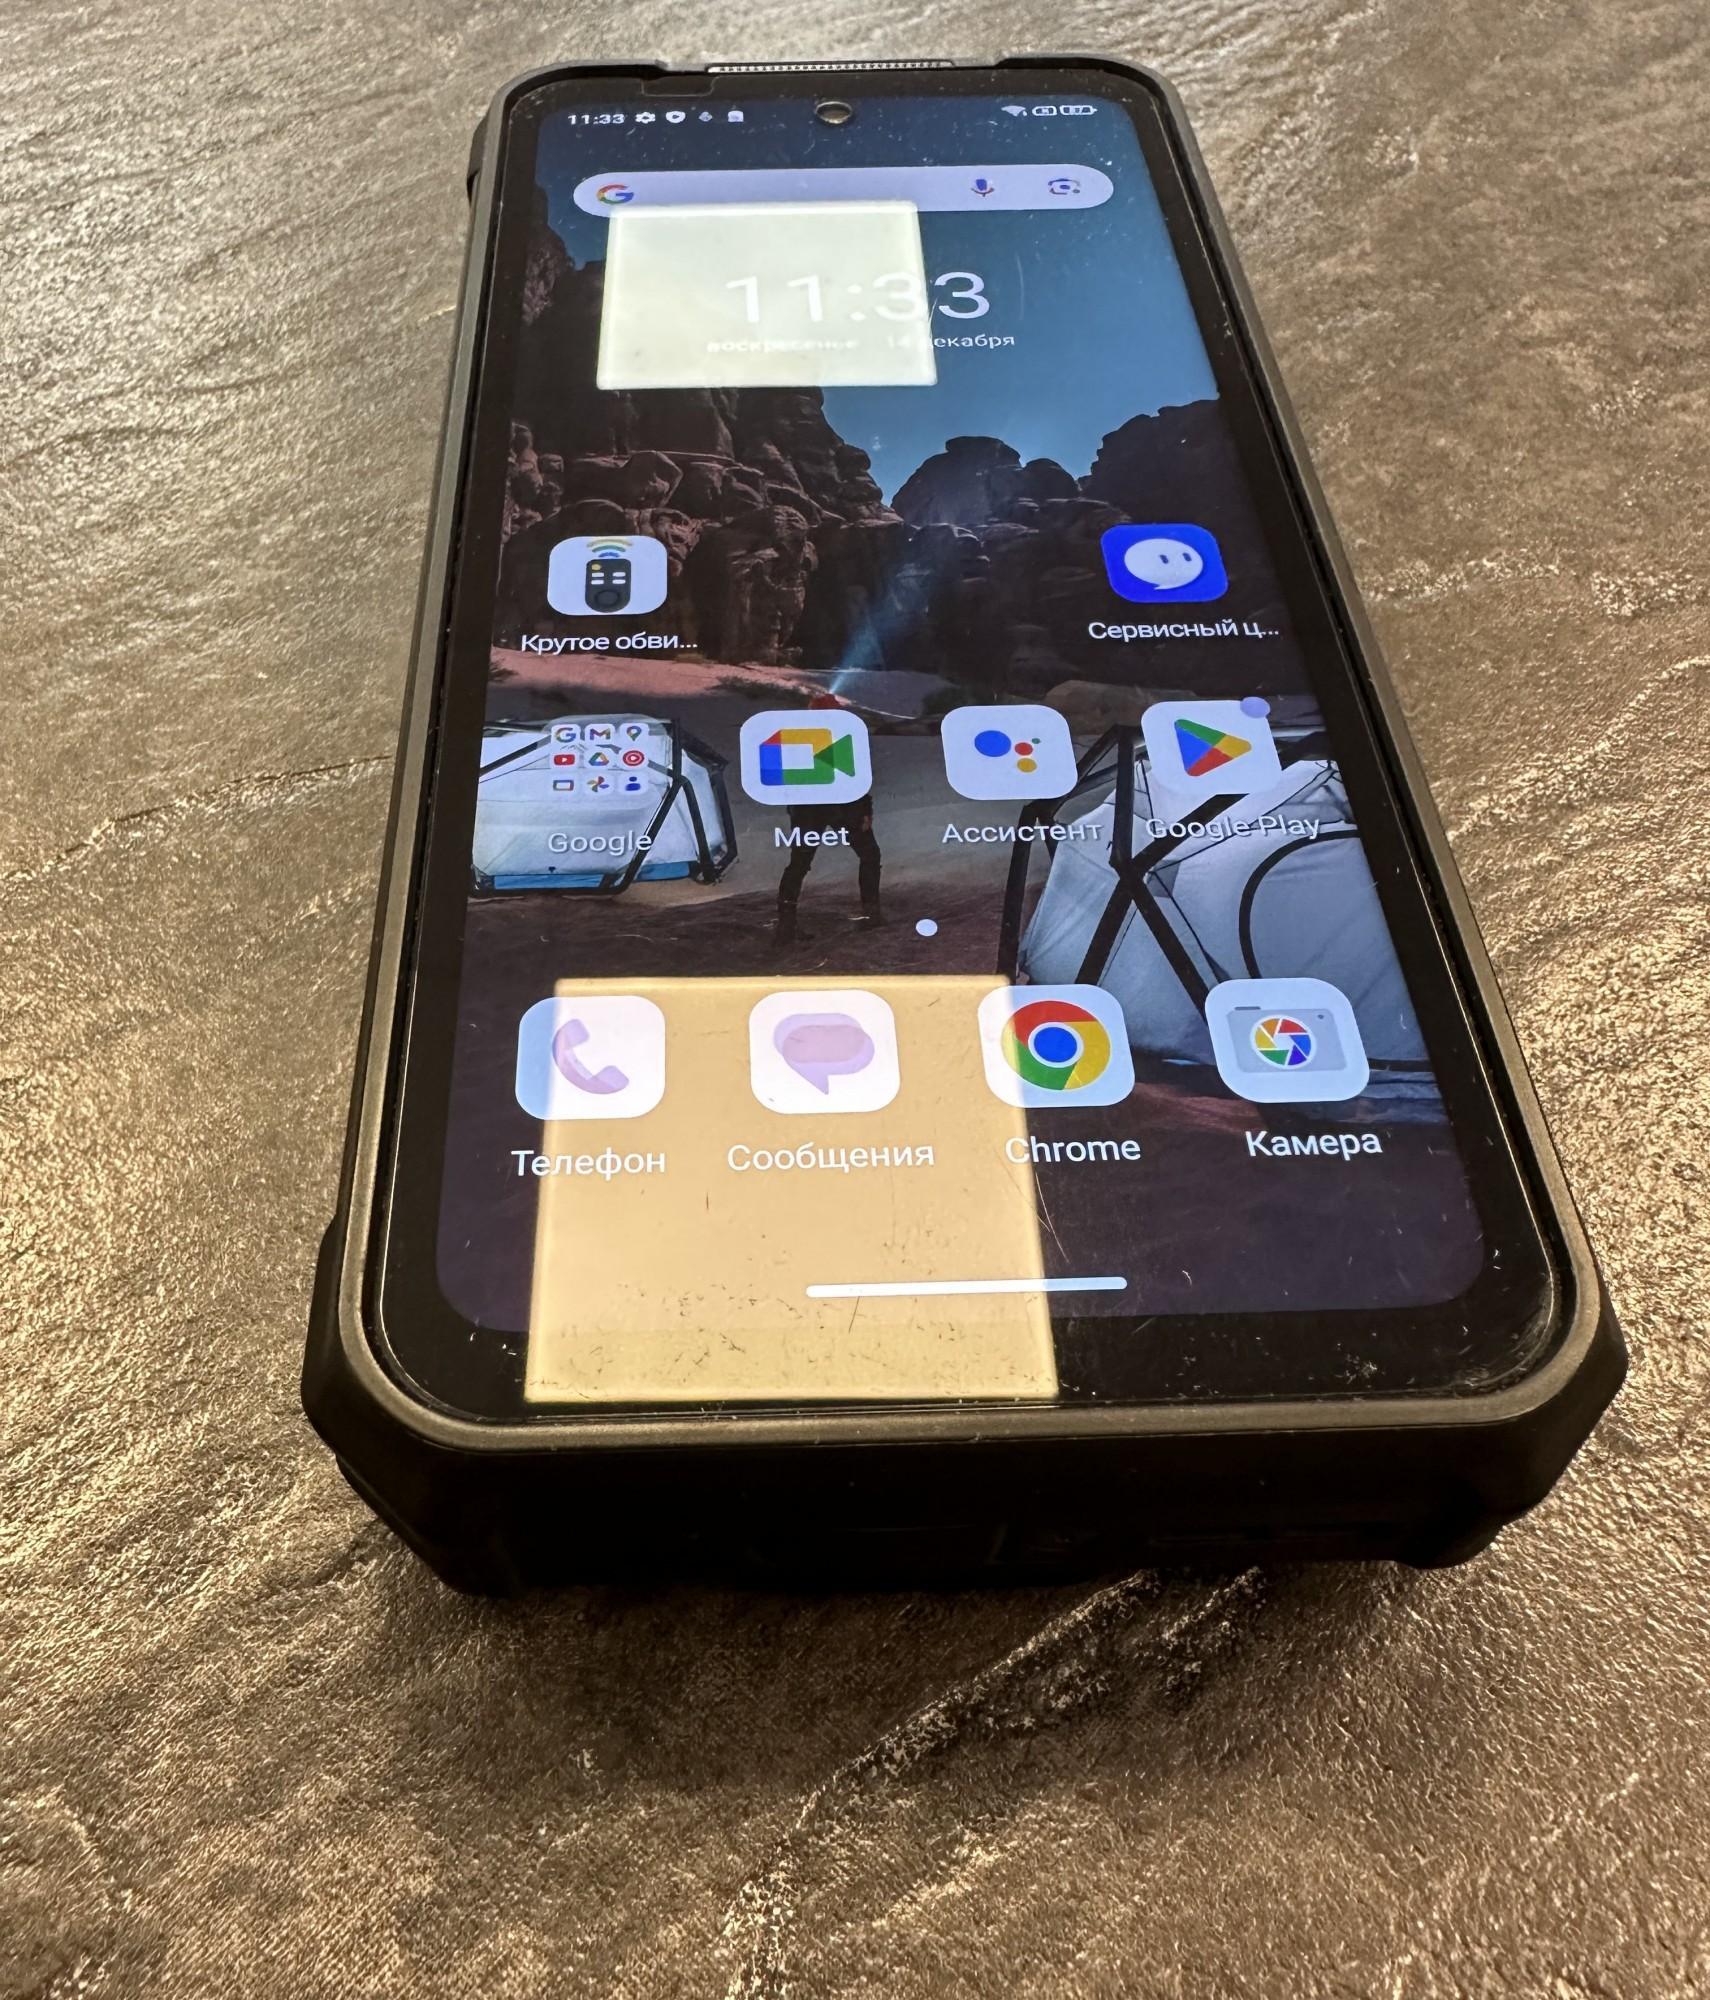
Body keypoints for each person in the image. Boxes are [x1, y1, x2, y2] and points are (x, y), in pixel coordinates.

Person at [773, 695, 882, 946]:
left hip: (813, 811)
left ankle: (786, 925)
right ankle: (871, 913)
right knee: (868, 855)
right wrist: (865, 810)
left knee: (799, 864)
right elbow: (857, 776)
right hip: (843, 809)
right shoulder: (839, 736)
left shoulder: (800, 738)